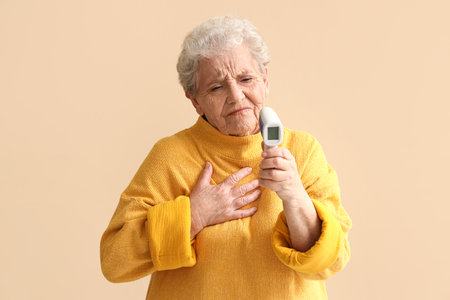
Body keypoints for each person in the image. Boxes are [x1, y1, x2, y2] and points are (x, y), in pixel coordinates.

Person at [100, 16, 352, 299]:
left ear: (265, 81)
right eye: (216, 87)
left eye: (246, 79)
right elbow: (114, 261)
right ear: (195, 100)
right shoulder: (170, 157)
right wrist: (194, 216)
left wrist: (294, 195)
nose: (236, 95)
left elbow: (332, 261)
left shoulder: (303, 151)